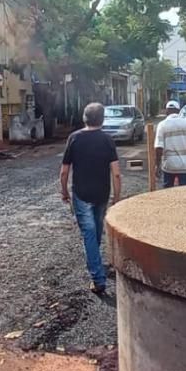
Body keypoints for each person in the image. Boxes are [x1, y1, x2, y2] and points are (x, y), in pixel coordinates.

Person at [60, 102, 121, 297]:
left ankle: (98, 279)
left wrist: (64, 192)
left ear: (84, 118)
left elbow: (64, 172)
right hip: (102, 194)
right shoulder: (107, 140)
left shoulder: (74, 138)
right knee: (95, 231)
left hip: (81, 195)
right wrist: (117, 197)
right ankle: (97, 265)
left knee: (89, 236)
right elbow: (117, 174)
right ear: (102, 119)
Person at [155, 100, 186, 188]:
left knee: (167, 192)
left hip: (169, 166)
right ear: (178, 110)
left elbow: (159, 148)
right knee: (185, 192)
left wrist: (157, 166)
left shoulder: (162, 125)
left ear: (166, 111)